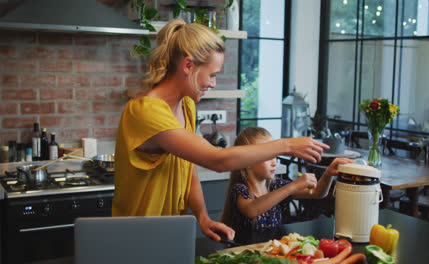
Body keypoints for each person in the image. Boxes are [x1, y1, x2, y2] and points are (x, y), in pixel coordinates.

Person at [112, 19, 329, 242]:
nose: (214, 83)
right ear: (188, 66)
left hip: (169, 232)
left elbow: (188, 168)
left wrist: (203, 217)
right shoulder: (145, 111)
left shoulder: (186, 106)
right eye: (213, 74)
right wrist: (288, 145)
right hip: (136, 235)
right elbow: (217, 160)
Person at [221, 127, 353, 233]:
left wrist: (329, 173)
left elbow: (318, 192)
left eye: (275, 156)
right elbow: (252, 210)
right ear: (248, 161)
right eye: (268, 157)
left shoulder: (275, 186)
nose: (274, 163)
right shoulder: (240, 190)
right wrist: (292, 186)